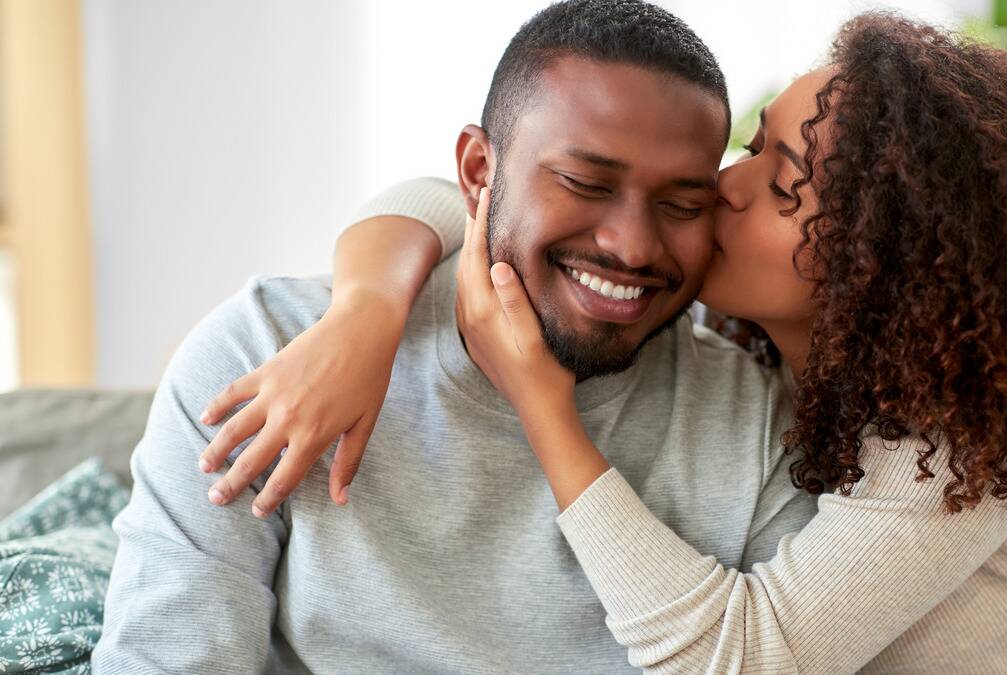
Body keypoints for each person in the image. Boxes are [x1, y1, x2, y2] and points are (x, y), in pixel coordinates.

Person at [197, 11, 1007, 675]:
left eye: (779, 179)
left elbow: (741, 655)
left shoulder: (964, 443)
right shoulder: (786, 353)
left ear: (876, 262)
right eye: (753, 146)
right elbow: (462, 198)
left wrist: (545, 406)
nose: (727, 184)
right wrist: (366, 312)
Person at [92, 2, 814, 673]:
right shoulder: (265, 352)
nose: (631, 246)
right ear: (478, 172)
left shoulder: (754, 430)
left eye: (683, 202)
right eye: (584, 182)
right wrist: (368, 308)